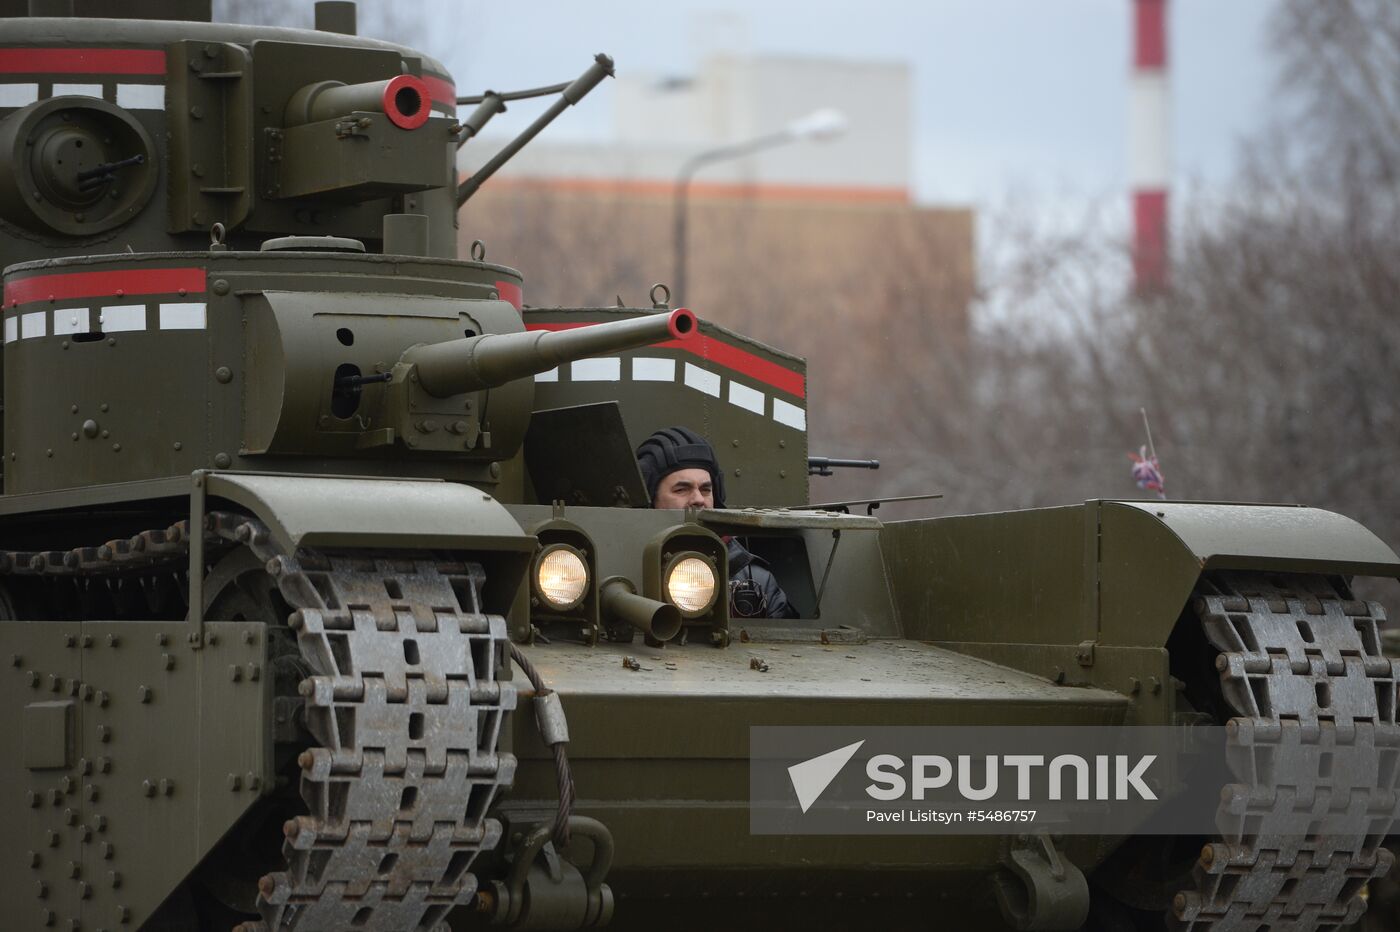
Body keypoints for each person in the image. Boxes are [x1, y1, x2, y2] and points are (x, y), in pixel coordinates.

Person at [636, 426, 798, 619]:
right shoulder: (625, 568)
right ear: (650, 498)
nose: (698, 499)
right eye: (681, 489)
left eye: (705, 489)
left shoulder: (757, 582)